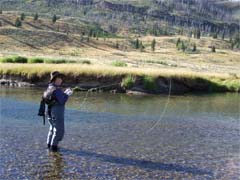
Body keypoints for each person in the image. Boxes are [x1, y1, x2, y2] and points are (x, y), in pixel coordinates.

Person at [44, 71, 73, 152]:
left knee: (52, 128)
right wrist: (68, 94)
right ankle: (54, 148)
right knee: (59, 131)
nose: (61, 80)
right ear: (54, 79)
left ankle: (49, 147)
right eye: (59, 78)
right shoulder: (56, 89)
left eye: (61, 79)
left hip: (49, 111)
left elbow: (56, 97)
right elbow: (62, 101)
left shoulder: (50, 87)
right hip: (56, 112)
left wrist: (64, 93)